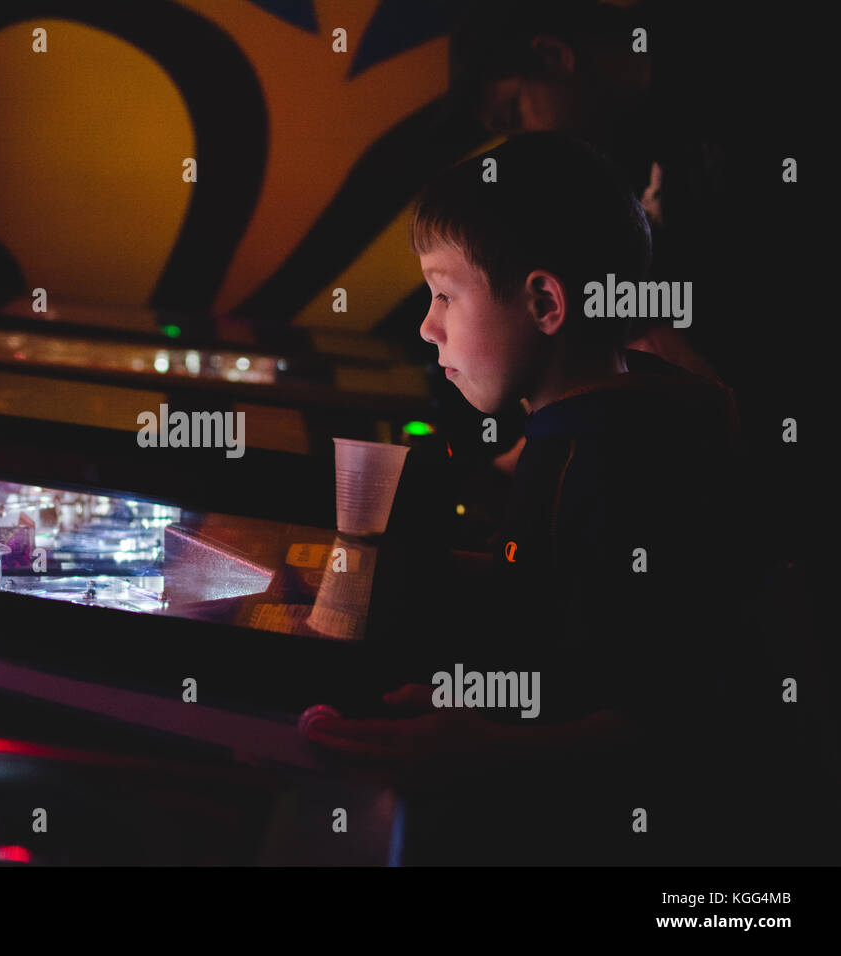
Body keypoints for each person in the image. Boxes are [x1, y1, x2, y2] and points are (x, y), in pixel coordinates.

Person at [304, 133, 797, 864]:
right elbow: (551, 590)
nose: (426, 325)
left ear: (543, 301)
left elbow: (676, 716)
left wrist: (481, 749)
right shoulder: (597, 423)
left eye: (443, 294)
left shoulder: (610, 465)